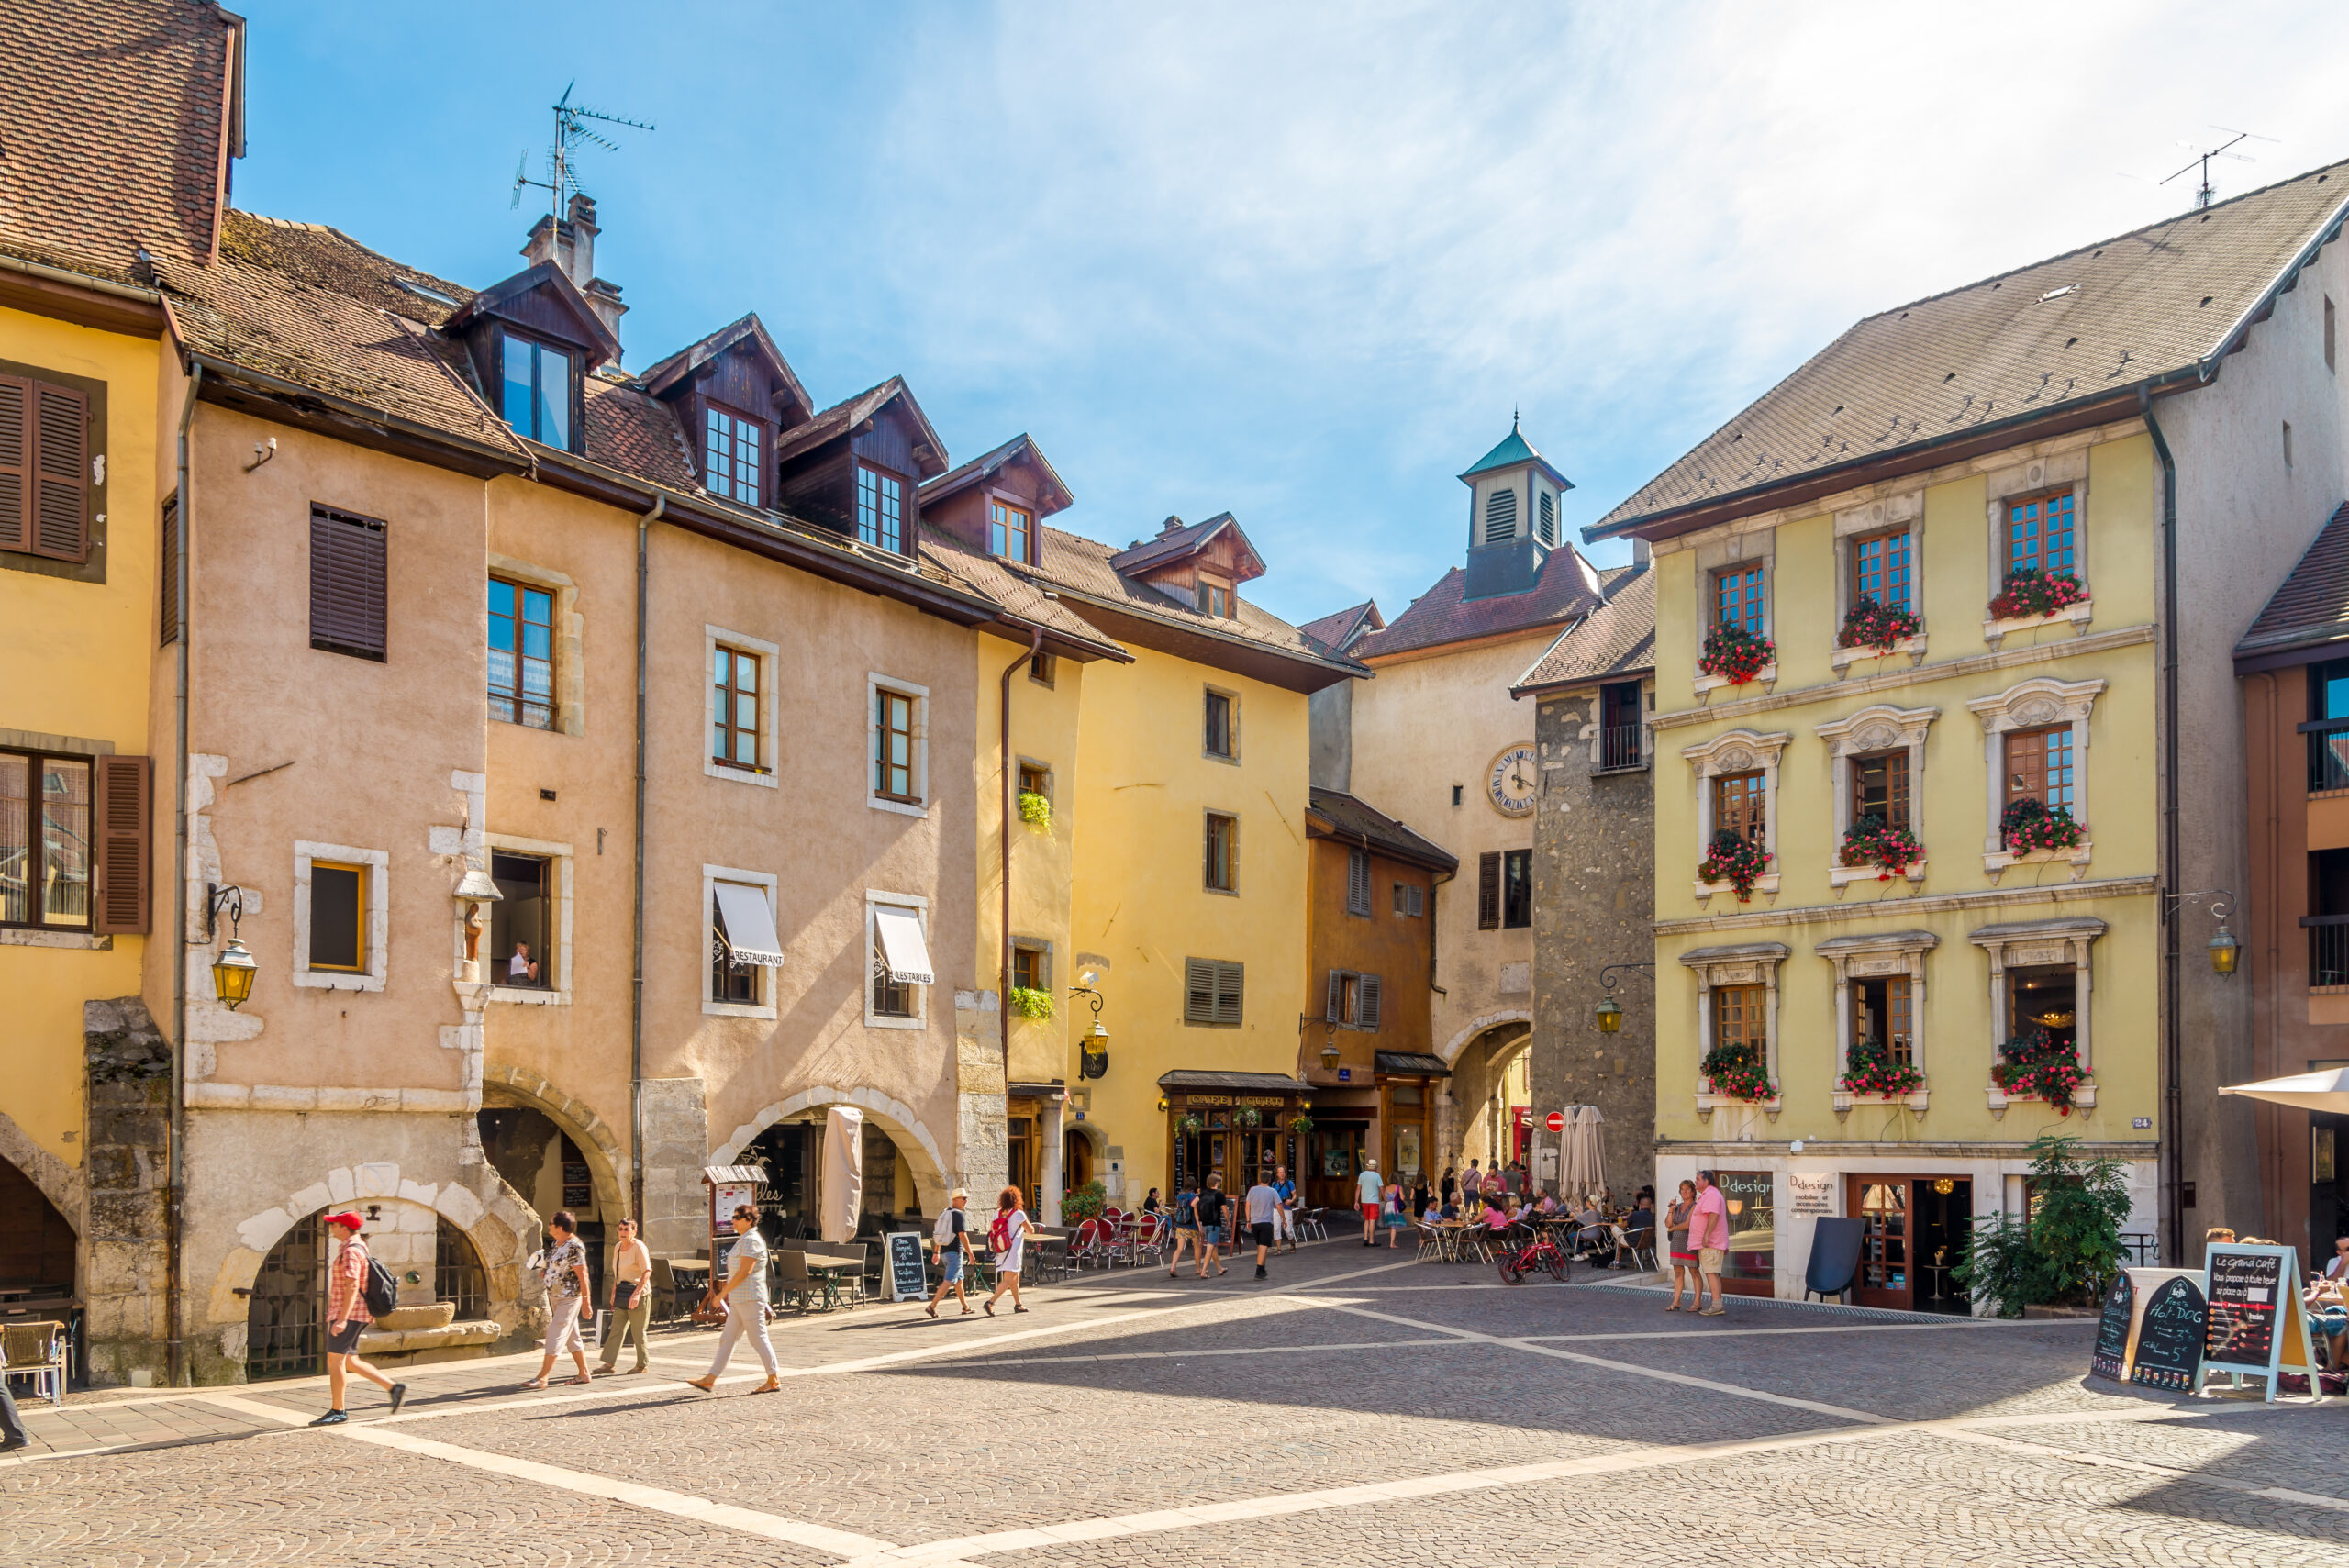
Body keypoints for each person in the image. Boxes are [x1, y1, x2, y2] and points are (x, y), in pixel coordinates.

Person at [313, 1211, 406, 1424]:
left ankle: (338, 1410)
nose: (331, 1228)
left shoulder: (351, 1252)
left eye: (334, 1224)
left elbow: (352, 1284)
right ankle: (393, 1387)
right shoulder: (358, 1247)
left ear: (345, 1228)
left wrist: (342, 1318)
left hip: (350, 1313)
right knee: (350, 1361)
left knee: (334, 1360)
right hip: (356, 1313)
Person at [688, 1205, 779, 1391]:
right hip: (741, 1299)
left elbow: (745, 1271)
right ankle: (710, 1378)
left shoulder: (751, 1240)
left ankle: (773, 1378)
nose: (734, 1220)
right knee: (727, 1339)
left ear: (749, 1220)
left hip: (750, 1298)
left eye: (738, 1217)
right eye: (734, 1216)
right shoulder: (744, 1239)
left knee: (758, 1338)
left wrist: (722, 1293)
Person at [524, 1210, 596, 1389]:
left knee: (554, 1334)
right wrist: (546, 1272)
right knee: (572, 1336)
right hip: (555, 1297)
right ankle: (584, 1373)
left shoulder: (575, 1246)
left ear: (560, 1227)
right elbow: (556, 1266)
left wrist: (587, 1301)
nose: (548, 1226)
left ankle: (543, 1377)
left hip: (569, 1298)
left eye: (551, 1223)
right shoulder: (558, 1243)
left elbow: (583, 1274)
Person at [596, 1216, 652, 1376]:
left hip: (639, 1295)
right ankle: (609, 1364)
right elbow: (618, 1272)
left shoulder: (639, 1247)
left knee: (638, 1331)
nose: (622, 1232)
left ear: (634, 1231)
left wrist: (637, 1294)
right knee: (616, 1329)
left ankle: (642, 1364)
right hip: (622, 1293)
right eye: (620, 1229)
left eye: (626, 1229)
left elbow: (647, 1271)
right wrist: (614, 1290)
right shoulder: (618, 1247)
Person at [925, 1188, 976, 1318]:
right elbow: (963, 1235)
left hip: (944, 1253)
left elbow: (938, 1234)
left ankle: (965, 1307)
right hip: (955, 1253)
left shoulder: (944, 1213)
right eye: (964, 1198)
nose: (966, 1201)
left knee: (959, 1280)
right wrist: (970, 1253)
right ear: (956, 1200)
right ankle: (932, 1306)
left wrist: (936, 1252)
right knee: (948, 1280)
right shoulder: (958, 1214)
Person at [985, 1186, 1036, 1316]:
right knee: (1008, 1279)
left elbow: (992, 1229)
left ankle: (1018, 1304)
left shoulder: (997, 1213)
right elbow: (1031, 1230)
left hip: (1000, 1249)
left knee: (1015, 1278)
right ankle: (990, 1302)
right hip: (1012, 1251)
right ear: (1017, 1199)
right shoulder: (1018, 1214)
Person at [1687, 1170, 1729, 1317]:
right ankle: (1717, 1304)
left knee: (1711, 1273)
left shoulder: (1711, 1195)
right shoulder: (1709, 1194)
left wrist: (1706, 1236)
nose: (1696, 1181)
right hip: (1710, 1242)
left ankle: (1717, 1305)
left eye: (1698, 1179)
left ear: (1706, 1181)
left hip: (1711, 1242)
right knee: (1712, 1272)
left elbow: (1713, 1215)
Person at [1664, 1180, 1698, 1310]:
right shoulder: (1677, 1207)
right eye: (1682, 1189)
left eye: (1687, 1189)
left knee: (1694, 1271)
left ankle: (1697, 1302)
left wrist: (1673, 1229)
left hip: (1690, 1242)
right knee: (1678, 1272)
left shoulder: (1695, 1206)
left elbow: (1687, 1225)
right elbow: (1667, 1224)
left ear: (1693, 1191)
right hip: (1676, 1243)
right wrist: (1671, 1210)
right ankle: (1676, 1301)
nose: (1684, 1191)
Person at [1245, 1173, 1281, 1278]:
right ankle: (1259, 1270)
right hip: (1266, 1222)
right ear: (1269, 1180)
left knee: (1260, 1246)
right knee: (1264, 1247)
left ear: (1260, 1179)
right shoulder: (1272, 1191)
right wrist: (1283, 1218)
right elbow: (1279, 1206)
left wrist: (1248, 1220)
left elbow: (1247, 1205)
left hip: (1255, 1222)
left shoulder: (1252, 1190)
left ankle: (1262, 1268)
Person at [1195, 1174, 1230, 1276]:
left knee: (1213, 1246)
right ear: (1216, 1182)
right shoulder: (1219, 1195)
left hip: (1204, 1223)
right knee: (1210, 1247)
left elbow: (1193, 1204)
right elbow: (1225, 1210)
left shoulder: (1203, 1194)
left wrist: (1197, 1217)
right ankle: (1203, 1271)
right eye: (1219, 1181)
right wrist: (1228, 1221)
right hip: (1214, 1224)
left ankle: (1219, 1269)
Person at [1614, 1194, 1657, 1270]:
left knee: (1614, 1228)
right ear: (1651, 1206)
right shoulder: (1654, 1217)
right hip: (1647, 1243)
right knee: (1621, 1238)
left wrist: (1628, 1218)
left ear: (1640, 1205)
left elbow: (1622, 1226)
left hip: (1633, 1242)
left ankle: (1616, 1261)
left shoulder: (1635, 1214)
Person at [1166, 1185, 1201, 1278]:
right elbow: (1195, 1210)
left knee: (1179, 1248)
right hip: (1192, 1225)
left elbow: (1178, 1209)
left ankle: (1173, 1268)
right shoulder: (1194, 1197)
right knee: (1197, 1247)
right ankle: (1198, 1269)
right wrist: (1199, 1226)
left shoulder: (1179, 1196)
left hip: (1181, 1225)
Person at [1356, 1157, 1384, 1247]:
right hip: (1374, 1201)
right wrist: (1385, 1199)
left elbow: (1358, 1189)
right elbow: (1381, 1189)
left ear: (1368, 1166)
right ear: (1375, 1167)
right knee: (1372, 1220)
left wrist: (1356, 1201)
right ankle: (1371, 1240)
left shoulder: (1362, 1175)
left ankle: (1365, 1238)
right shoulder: (1377, 1176)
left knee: (1366, 1220)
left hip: (1364, 1200)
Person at [1272, 1164, 1298, 1252]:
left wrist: (1291, 1201)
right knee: (1276, 1228)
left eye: (1283, 1172)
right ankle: (1279, 1249)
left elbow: (1294, 1195)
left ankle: (1292, 1242)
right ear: (1277, 1174)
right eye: (1280, 1173)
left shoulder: (1289, 1183)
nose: (1282, 1174)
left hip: (1286, 1208)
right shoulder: (1274, 1184)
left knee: (1287, 1229)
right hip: (1276, 1208)